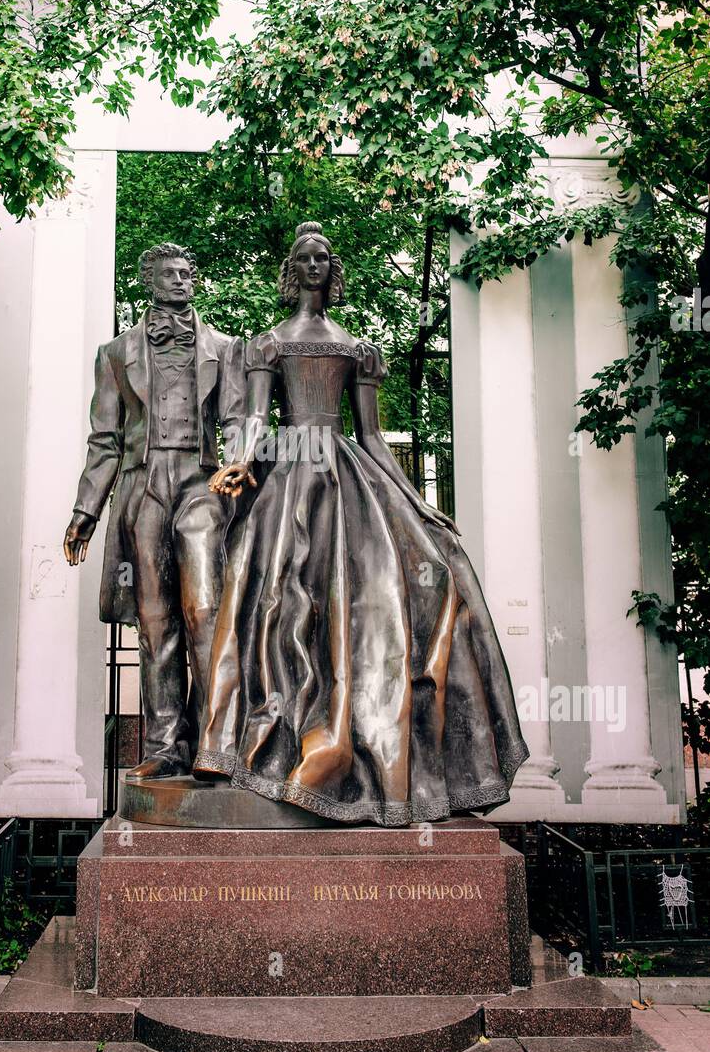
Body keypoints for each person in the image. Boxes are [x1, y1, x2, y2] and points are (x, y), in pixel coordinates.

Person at [195, 221, 528, 825]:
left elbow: (371, 436)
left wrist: (415, 500)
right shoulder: (267, 344)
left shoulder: (358, 350)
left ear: (332, 269)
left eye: (324, 257)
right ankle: (258, 735)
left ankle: (357, 740)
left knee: (411, 579)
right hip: (290, 473)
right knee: (271, 601)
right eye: (306, 257)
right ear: (291, 269)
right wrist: (241, 462)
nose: (316, 264)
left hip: (346, 478)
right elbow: (253, 419)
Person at [64, 242, 244, 779]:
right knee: (154, 620)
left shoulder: (226, 348)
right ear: (149, 281)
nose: (183, 281)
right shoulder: (115, 354)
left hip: (202, 482)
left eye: (189, 273)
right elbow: (104, 441)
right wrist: (85, 513)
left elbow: (237, 419)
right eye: (171, 274)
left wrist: (236, 461)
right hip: (143, 488)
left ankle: (217, 741)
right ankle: (167, 746)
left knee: (205, 610)